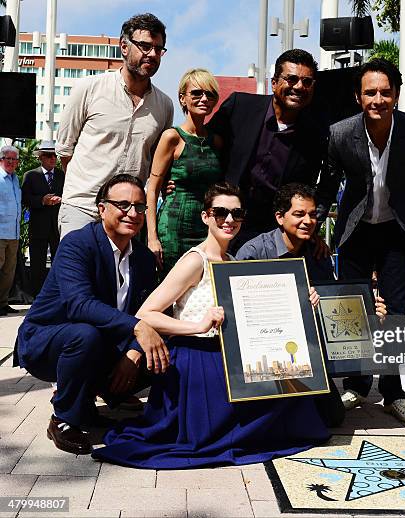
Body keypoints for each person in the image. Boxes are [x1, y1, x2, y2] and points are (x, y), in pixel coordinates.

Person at [92, 182, 329, 469]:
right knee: (214, 432)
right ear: (206, 217)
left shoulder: (231, 261)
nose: (229, 220)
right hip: (195, 357)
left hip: (226, 356)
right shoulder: (196, 260)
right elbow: (146, 313)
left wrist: (302, 302)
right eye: (220, 213)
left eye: (236, 214)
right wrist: (198, 325)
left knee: (295, 394)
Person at [316, 58, 405, 424]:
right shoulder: (341, 133)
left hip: (397, 230)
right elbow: (327, 188)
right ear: (358, 96)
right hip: (355, 230)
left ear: (396, 94)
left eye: (385, 92)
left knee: (396, 314)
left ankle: (394, 392)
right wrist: (313, 229)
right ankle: (357, 385)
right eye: (370, 92)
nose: (378, 99)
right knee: (352, 312)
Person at [15, 175, 169, 455]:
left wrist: (134, 353)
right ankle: (63, 418)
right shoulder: (78, 244)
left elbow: (153, 310)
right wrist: (137, 328)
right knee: (87, 335)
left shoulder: (144, 258)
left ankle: (96, 398)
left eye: (139, 207)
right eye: (122, 205)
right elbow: (79, 305)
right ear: (101, 209)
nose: (132, 213)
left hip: (103, 342)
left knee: (161, 348)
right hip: (48, 341)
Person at [236, 182, 388, 427]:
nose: (308, 221)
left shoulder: (318, 255)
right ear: (279, 217)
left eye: (312, 214)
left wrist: (368, 314)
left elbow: (331, 308)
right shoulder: (254, 252)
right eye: (298, 214)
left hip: (306, 354)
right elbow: (240, 311)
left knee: (332, 417)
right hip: (264, 353)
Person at [55, 13, 173, 238]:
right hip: (84, 209)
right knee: (77, 273)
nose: (153, 54)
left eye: (159, 49)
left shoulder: (164, 106)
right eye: (145, 46)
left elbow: (157, 161)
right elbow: (65, 151)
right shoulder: (88, 89)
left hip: (130, 215)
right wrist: (88, 189)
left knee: (120, 275)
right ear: (124, 47)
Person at [207, 49, 326, 251]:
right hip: (225, 220)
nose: (299, 87)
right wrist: (175, 179)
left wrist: (312, 231)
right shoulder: (239, 106)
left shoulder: (315, 135)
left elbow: (311, 189)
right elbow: (202, 146)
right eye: (291, 79)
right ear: (274, 82)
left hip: (272, 234)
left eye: (307, 82)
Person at [146, 68, 223, 277]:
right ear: (182, 98)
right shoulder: (172, 137)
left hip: (207, 227)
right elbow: (151, 190)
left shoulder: (216, 141)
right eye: (196, 93)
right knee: (171, 288)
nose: (204, 98)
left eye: (210, 94)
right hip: (173, 227)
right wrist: (152, 237)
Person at [21, 141, 65, 296]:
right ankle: (37, 296)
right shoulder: (31, 175)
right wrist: (42, 200)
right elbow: (25, 199)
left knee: (59, 262)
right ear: (40, 157)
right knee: (37, 264)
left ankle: (57, 295)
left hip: (57, 227)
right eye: (48, 155)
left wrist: (61, 200)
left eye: (55, 155)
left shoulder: (62, 175)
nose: (53, 158)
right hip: (38, 226)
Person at [0, 145, 21, 317]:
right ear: (1, 159)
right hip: (0, 233)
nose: (12, 162)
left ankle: (3, 303)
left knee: (9, 271)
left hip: (13, 233)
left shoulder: (15, 179)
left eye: (15, 159)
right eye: (9, 159)